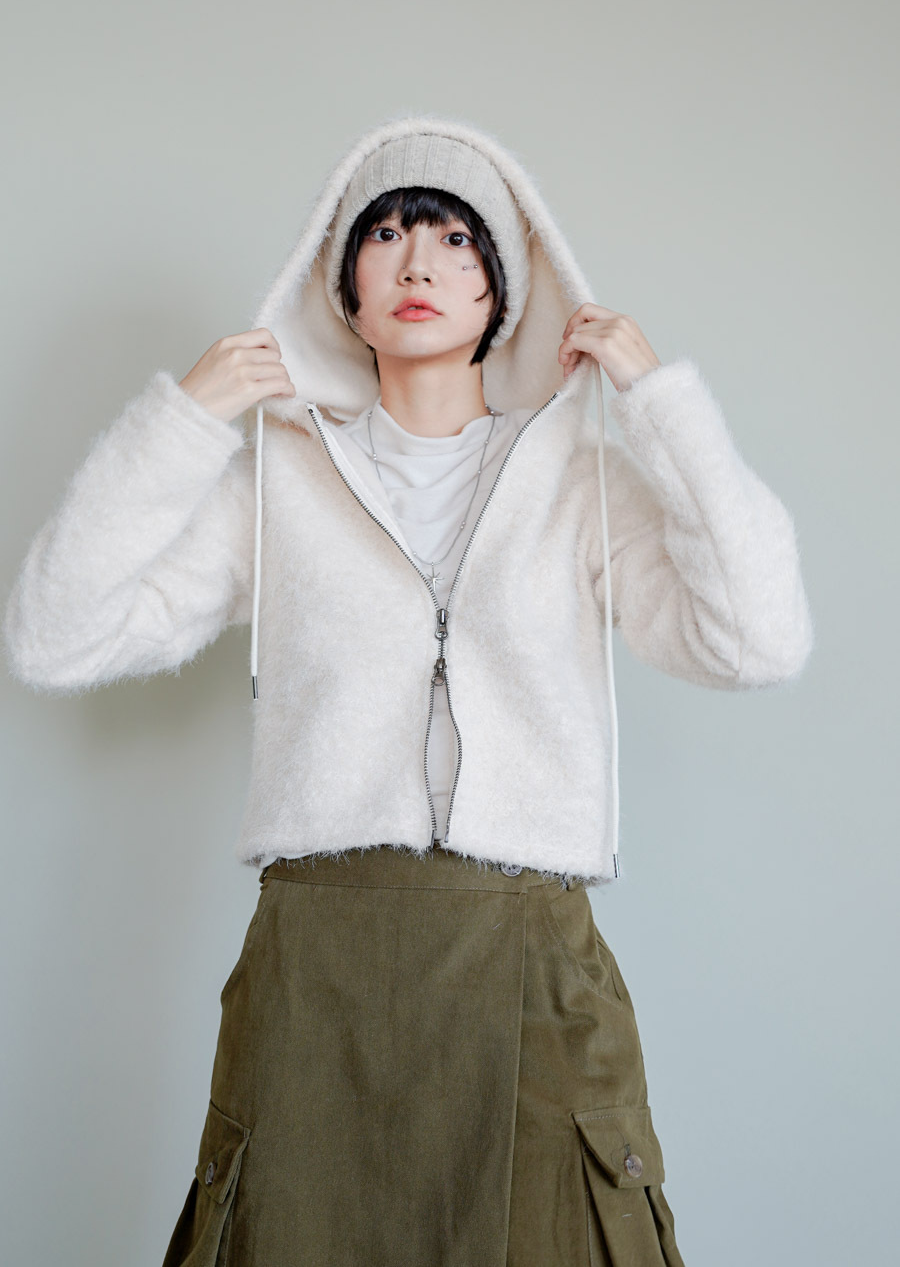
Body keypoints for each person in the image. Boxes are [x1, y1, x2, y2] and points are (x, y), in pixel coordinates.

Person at [3, 114, 815, 1266]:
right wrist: (182, 423)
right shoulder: (275, 485)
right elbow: (54, 633)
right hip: (317, 970)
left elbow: (760, 639)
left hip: (530, 959)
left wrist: (660, 407)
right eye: (385, 235)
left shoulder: (583, 483)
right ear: (343, 288)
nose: (419, 263)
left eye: (455, 238)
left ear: (504, 288)